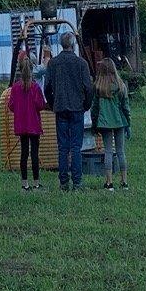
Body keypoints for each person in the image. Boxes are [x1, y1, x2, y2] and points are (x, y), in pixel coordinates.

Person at [40, 32, 94, 191]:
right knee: (76, 146)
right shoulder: (81, 63)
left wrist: (52, 103)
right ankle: (77, 182)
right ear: (73, 44)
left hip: (60, 107)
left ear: (62, 44)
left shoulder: (53, 63)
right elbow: (89, 88)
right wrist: (86, 104)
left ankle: (63, 182)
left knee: (63, 147)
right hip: (77, 108)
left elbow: (47, 87)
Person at [6, 51, 45, 190]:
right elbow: (40, 105)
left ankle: (24, 184)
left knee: (24, 154)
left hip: (21, 124)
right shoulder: (35, 87)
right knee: (34, 154)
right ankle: (36, 183)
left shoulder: (16, 87)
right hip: (34, 124)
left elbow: (11, 106)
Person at [93, 55, 131, 190]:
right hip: (120, 121)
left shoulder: (98, 87)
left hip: (104, 122)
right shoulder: (121, 85)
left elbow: (95, 108)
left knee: (108, 151)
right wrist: (129, 124)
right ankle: (124, 181)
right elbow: (126, 106)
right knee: (121, 151)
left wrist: (94, 124)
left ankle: (109, 183)